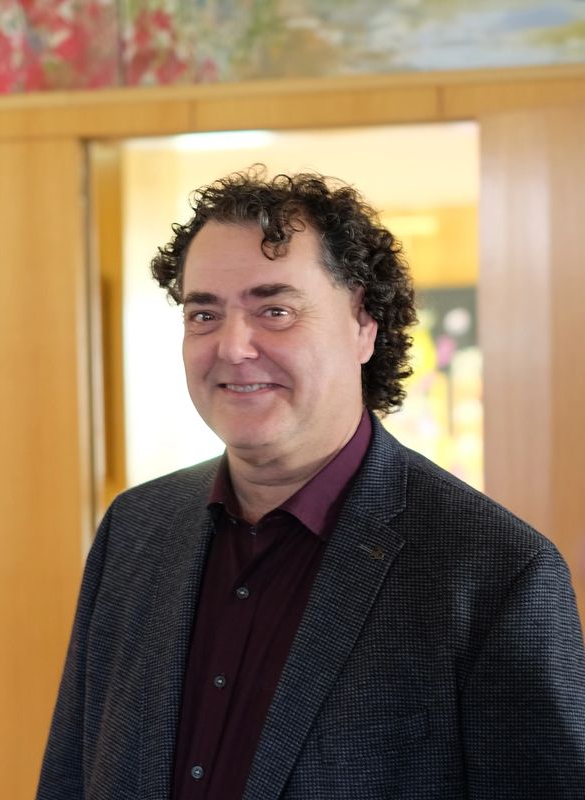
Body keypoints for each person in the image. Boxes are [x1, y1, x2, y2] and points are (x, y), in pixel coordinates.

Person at [37, 168, 585, 800]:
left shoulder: (494, 571)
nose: (233, 347)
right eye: (204, 314)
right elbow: (72, 774)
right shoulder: (135, 529)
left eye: (275, 310)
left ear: (363, 325)